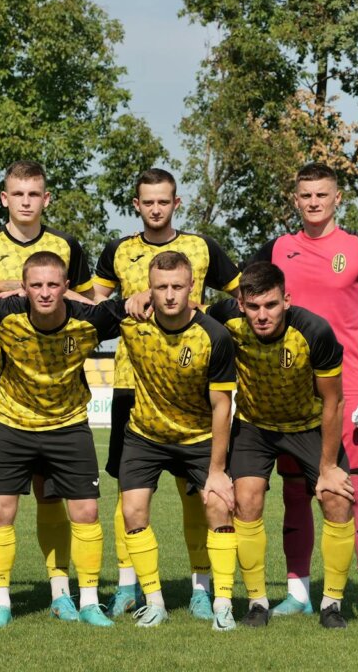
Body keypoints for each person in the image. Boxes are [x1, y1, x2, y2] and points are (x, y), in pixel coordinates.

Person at [249, 162, 358, 622]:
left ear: (337, 198)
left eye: (322, 194)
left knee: (357, 490)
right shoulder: (276, 248)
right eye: (305, 195)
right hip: (288, 390)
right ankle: (298, 590)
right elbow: (242, 297)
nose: (313, 202)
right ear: (295, 200)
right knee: (296, 491)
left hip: (346, 385)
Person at [92, 167, 240, 619]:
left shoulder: (201, 247)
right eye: (147, 201)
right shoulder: (117, 250)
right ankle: (126, 585)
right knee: (129, 492)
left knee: (196, 494)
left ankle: (202, 586)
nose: (156, 208)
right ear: (136, 205)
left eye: (164, 201)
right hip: (131, 384)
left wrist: (204, 308)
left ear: (177, 203)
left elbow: (240, 299)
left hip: (192, 385)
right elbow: (97, 309)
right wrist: (126, 303)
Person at [0, 161, 94, 616]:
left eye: (34, 194)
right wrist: (2, 290)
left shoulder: (66, 246)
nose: (26, 202)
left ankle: (60, 591)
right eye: (17, 194)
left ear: (46, 198)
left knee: (50, 491)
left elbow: (88, 303)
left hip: (54, 386)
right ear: (4, 198)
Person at [207, 262, 357, 629]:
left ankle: (332, 605)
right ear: (240, 303)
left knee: (337, 498)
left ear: (286, 299)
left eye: (271, 305)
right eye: (253, 306)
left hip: (307, 426)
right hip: (255, 426)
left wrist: (327, 467)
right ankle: (257, 602)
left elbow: (333, 401)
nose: (262, 315)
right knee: (246, 500)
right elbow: (190, 318)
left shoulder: (315, 331)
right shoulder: (223, 318)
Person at [0, 251, 118, 628]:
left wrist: (128, 300)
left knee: (86, 513)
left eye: (53, 284)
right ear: (24, 288)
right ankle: (1, 603)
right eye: (35, 285)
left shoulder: (90, 320)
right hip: (12, 424)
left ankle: (86, 601)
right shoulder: (2, 314)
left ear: (66, 288)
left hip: (68, 424)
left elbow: (129, 309)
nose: (44, 292)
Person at [110, 251, 238, 630]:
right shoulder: (131, 322)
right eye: (161, 287)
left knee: (217, 505)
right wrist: (124, 301)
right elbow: (81, 308)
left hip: (197, 436)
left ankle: (221, 603)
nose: (169, 295)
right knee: (132, 510)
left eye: (177, 287)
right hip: (145, 435)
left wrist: (217, 471)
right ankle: (153, 601)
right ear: (149, 288)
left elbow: (221, 406)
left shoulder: (214, 335)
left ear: (192, 287)